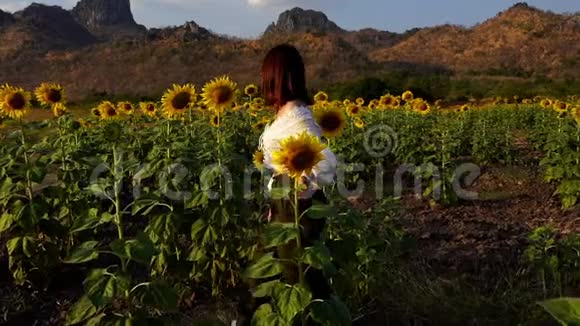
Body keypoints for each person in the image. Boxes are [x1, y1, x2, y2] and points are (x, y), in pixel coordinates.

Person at [257, 44, 337, 299]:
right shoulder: (287, 113)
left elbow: (323, 163)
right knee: (286, 268)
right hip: (284, 202)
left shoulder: (299, 118)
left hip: (297, 205)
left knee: (295, 271)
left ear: (274, 77)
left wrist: (300, 192)